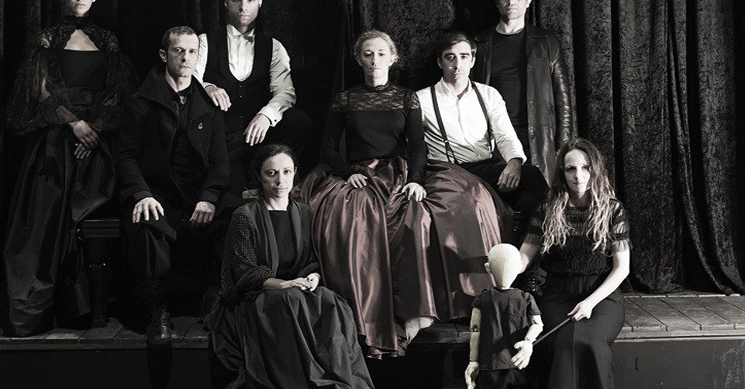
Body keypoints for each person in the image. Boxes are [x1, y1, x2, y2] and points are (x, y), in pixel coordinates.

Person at [301, 29, 513, 358]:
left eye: (381, 53)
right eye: (368, 54)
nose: (375, 60)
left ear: (393, 58)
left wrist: (415, 179)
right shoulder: (346, 99)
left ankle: (423, 312)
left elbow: (417, 146)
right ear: (358, 59)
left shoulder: (406, 97)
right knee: (355, 214)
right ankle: (368, 314)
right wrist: (348, 173)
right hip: (359, 172)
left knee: (453, 201)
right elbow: (328, 148)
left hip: (399, 171)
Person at [0, 0, 138, 336]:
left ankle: (87, 306)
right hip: (58, 138)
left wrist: (94, 129)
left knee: (99, 196)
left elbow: (116, 90)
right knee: (43, 215)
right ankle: (42, 306)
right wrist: (75, 124)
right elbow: (41, 91)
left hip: (97, 139)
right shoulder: (47, 38)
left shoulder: (107, 40)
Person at [207, 144, 374, 389]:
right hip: (257, 297)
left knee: (332, 301)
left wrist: (313, 276)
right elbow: (245, 272)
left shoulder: (304, 212)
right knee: (290, 299)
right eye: (271, 173)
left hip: (295, 292)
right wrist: (284, 285)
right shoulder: (244, 215)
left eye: (286, 172)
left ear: (295, 172)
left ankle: (341, 379)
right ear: (259, 176)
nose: (280, 181)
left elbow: (311, 260)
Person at [116, 26, 229, 345]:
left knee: (237, 218)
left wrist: (209, 197)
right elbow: (125, 157)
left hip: (197, 195)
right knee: (147, 224)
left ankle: (216, 301)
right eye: (179, 51)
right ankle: (156, 310)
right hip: (157, 194)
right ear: (164, 55)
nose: (186, 58)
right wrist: (141, 195)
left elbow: (220, 162)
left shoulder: (208, 104)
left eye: (192, 52)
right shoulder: (140, 102)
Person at [417, 31, 548, 247]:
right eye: (450, 57)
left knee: (533, 185)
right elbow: (412, 145)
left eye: (464, 56)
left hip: (486, 169)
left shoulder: (488, 94)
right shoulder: (422, 99)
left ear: (473, 60)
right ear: (440, 62)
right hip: (449, 174)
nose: (457, 64)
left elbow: (505, 134)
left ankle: (541, 253)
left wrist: (514, 162)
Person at [518, 138, 631, 389]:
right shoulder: (546, 210)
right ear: (562, 173)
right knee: (564, 343)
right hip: (557, 295)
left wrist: (590, 302)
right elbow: (524, 257)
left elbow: (622, 268)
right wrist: (502, 265)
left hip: (601, 297)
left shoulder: (612, 210)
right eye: (571, 168)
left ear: (595, 169)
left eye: (585, 167)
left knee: (588, 341)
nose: (578, 176)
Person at [195, 0, 311, 199]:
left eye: (250, 0)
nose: (243, 7)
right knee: (230, 196)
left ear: (259, 3)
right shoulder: (204, 41)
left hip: (261, 135)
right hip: (223, 135)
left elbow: (285, 92)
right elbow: (189, 80)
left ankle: (279, 179)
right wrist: (207, 87)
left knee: (299, 121)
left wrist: (266, 116)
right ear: (226, 2)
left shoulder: (274, 47)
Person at [471, 0, 574, 184]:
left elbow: (563, 98)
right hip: (496, 139)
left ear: (528, 1)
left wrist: (564, 146)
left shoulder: (546, 42)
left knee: (541, 198)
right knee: (498, 198)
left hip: (537, 137)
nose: (511, 1)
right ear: (497, 1)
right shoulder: (480, 44)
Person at [465, 244, 543, 389]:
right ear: (519, 267)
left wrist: (473, 360)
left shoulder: (482, 299)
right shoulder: (525, 298)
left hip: (493, 365)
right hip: (518, 365)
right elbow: (538, 324)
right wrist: (528, 342)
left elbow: (475, 331)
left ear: (488, 268)